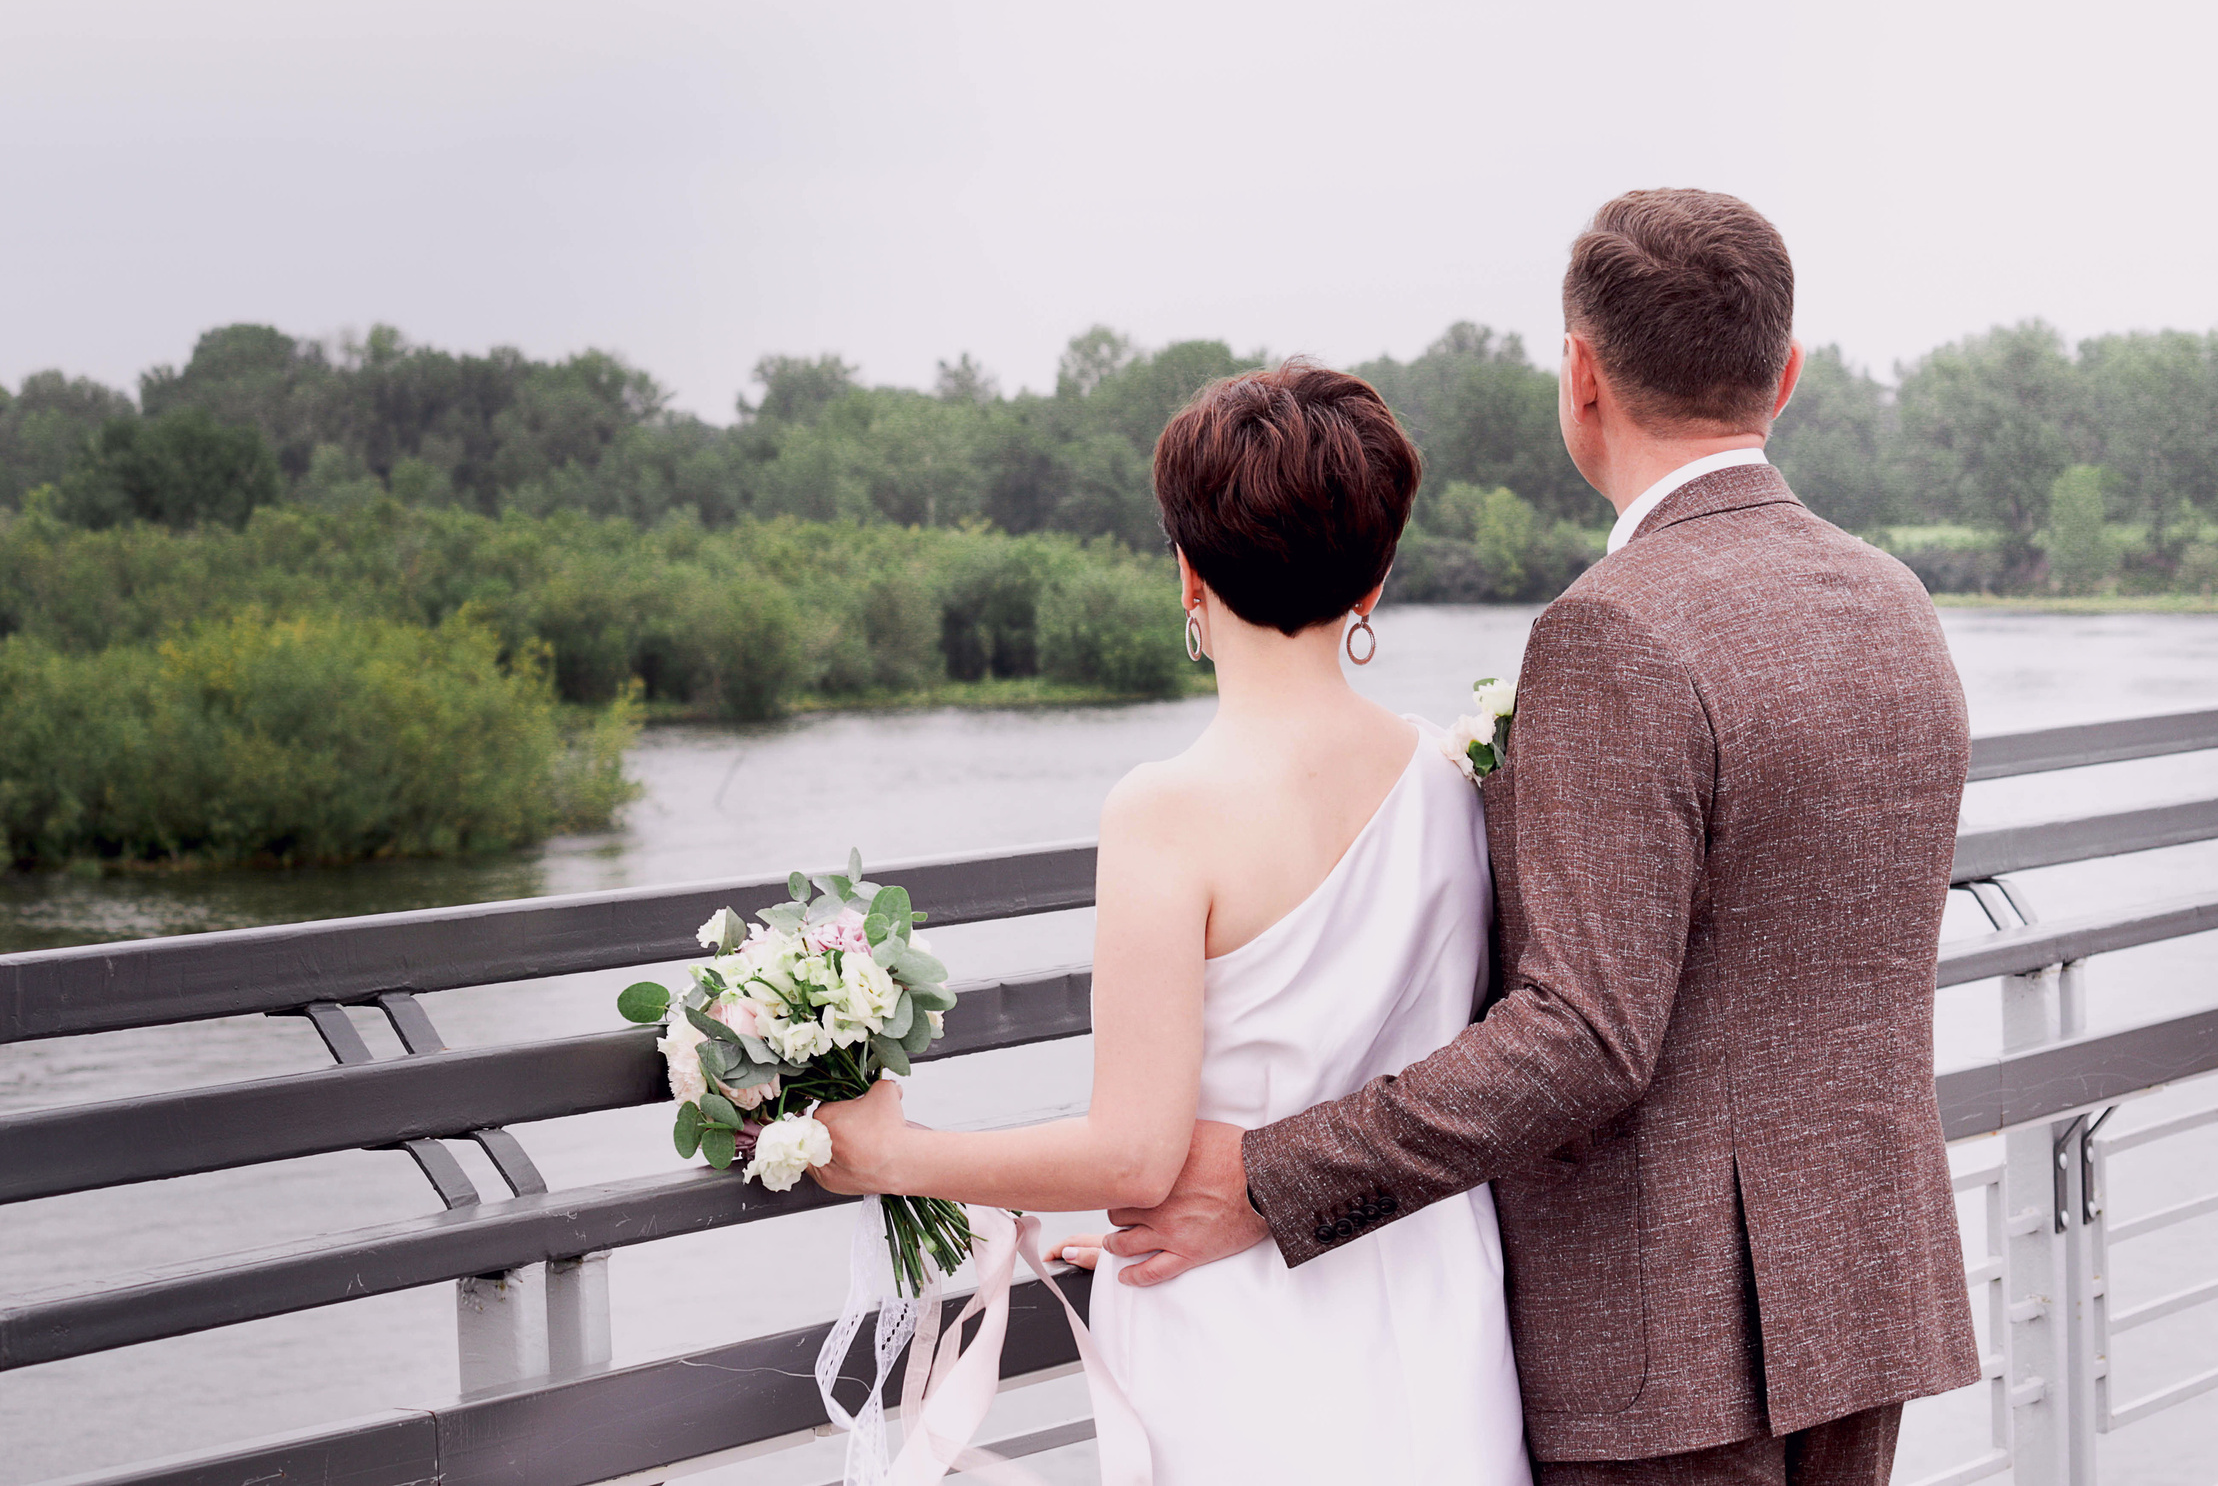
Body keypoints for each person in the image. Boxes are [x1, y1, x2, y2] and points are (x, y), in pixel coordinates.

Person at [1099, 189, 1980, 1484]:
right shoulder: (1892, 599)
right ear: (1783, 374)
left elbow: (1585, 1034)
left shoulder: (1613, 628)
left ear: (1581, 375)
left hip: (1667, 1339)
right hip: (1861, 1289)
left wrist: (1279, 1171)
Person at [808, 362, 1534, 1485]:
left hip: (1243, 1330)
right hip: (1434, 1303)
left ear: (1187, 573)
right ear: (1376, 580)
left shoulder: (1165, 811)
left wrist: (888, 1154)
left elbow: (1135, 1151)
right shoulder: (1450, 779)